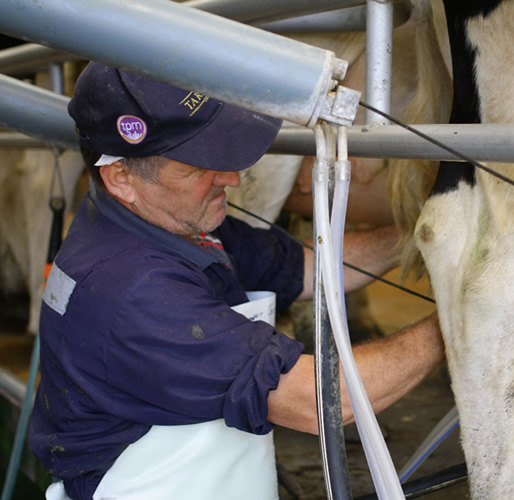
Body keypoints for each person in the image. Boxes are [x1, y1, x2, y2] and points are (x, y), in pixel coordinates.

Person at [28, 62, 445, 500]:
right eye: (199, 165)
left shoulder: (161, 222)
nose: (232, 177)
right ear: (122, 178)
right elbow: (320, 400)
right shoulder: (134, 288)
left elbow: (301, 266)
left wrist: (426, 234)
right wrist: (460, 323)